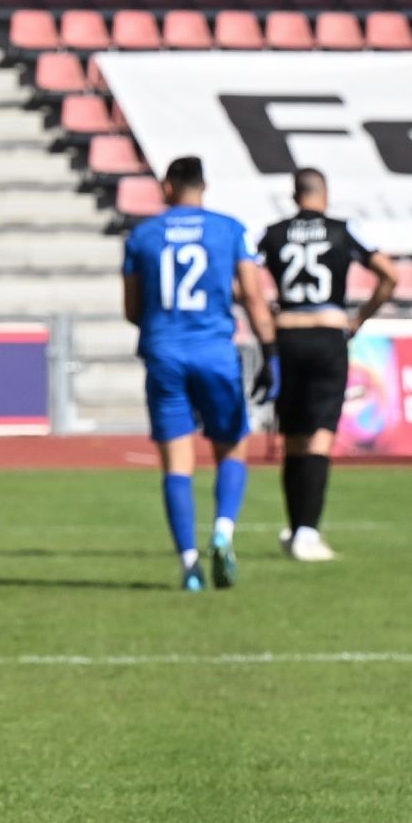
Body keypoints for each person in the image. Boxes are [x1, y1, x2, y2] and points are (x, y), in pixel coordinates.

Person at [122, 156, 278, 591]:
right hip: (215, 354)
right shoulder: (228, 229)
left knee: (177, 460)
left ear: (168, 187)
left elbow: (132, 309)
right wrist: (270, 354)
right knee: (232, 448)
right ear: (203, 187)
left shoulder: (143, 235)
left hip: (165, 354)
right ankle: (223, 532)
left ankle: (189, 564)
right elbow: (253, 297)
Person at [256, 169, 398, 561]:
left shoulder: (272, 232)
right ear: (325, 194)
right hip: (328, 335)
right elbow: (390, 275)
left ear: (294, 196)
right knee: (320, 435)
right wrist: (359, 318)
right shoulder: (344, 229)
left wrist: (266, 314)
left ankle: (295, 528)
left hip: (287, 335)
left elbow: (241, 280)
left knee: (293, 436)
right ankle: (307, 533)